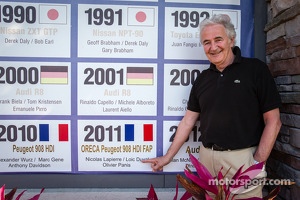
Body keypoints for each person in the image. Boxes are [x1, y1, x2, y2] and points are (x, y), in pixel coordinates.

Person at [142, 14, 282, 198]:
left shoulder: (255, 70)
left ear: (231, 40)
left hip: (243, 160)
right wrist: (168, 157)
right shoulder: (202, 79)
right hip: (207, 160)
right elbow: (187, 122)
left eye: (218, 40)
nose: (213, 47)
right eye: (206, 42)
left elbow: (274, 121)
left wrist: (257, 163)